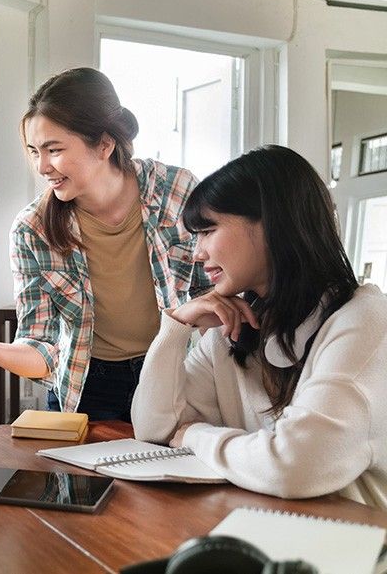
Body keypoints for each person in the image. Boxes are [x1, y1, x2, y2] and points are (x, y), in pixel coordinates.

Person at [0, 67, 208, 420]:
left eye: (53, 150)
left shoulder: (178, 191)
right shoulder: (32, 230)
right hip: (88, 388)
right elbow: (40, 346)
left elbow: (215, 294)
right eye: (34, 151)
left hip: (177, 373)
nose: (42, 167)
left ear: (104, 144)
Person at [131, 145, 387, 507]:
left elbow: (294, 465)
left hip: (357, 548)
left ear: (271, 223)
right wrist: (177, 328)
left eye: (208, 230)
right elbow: (154, 429)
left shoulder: (366, 321)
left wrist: (193, 435)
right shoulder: (233, 325)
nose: (197, 253)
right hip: (266, 526)